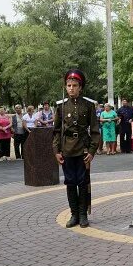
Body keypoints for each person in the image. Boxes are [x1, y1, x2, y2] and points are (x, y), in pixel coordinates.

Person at [53, 69, 100, 229]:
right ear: (65, 87)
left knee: (83, 182)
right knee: (70, 182)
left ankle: (83, 214)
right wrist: (57, 151)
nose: (71, 88)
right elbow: (57, 131)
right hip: (66, 149)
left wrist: (92, 151)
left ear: (80, 87)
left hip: (83, 149)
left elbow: (94, 131)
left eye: (74, 85)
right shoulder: (61, 106)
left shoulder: (88, 105)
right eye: (68, 85)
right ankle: (74, 214)